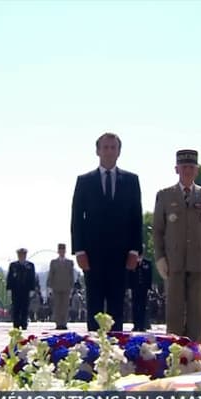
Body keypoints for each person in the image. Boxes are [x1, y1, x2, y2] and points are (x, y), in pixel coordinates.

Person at [71, 132, 143, 331]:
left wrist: (135, 251)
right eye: (105, 147)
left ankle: (115, 353)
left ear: (119, 152)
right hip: (92, 254)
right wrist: (79, 250)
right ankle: (93, 351)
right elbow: (77, 218)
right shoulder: (84, 181)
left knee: (117, 307)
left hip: (121, 255)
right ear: (97, 151)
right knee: (94, 303)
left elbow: (136, 217)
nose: (109, 151)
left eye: (113, 147)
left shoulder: (131, 180)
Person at [153, 149, 201, 344]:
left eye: (191, 167)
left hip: (199, 263)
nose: (188, 171)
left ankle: (196, 354)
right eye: (184, 167)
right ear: (177, 169)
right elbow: (158, 230)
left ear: (197, 170)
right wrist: (160, 258)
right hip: (174, 264)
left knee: (197, 313)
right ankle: (174, 355)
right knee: (174, 312)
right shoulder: (165, 196)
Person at [47, 243, 74, 329]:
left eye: (63, 250)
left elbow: (71, 275)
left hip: (66, 287)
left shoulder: (69, 262)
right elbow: (51, 274)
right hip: (56, 287)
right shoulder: (53, 262)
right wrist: (49, 286)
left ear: (65, 251)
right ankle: (58, 323)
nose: (61, 252)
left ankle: (64, 323)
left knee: (65, 306)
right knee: (57, 305)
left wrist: (72, 286)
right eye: (60, 250)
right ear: (58, 251)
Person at [7, 248, 36, 330]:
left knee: (25, 307)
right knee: (16, 307)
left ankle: (24, 323)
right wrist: (9, 288)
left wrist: (32, 289)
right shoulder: (13, 265)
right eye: (20, 255)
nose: (22, 256)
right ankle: (16, 324)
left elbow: (32, 278)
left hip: (26, 290)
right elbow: (10, 278)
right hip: (15, 289)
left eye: (23, 255)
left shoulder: (30, 265)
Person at [128, 251, 153, 331]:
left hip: (144, 288)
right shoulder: (132, 262)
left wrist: (149, 288)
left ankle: (142, 325)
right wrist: (128, 287)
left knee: (143, 306)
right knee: (135, 306)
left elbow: (149, 276)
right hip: (135, 288)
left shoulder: (147, 263)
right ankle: (136, 325)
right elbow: (129, 276)